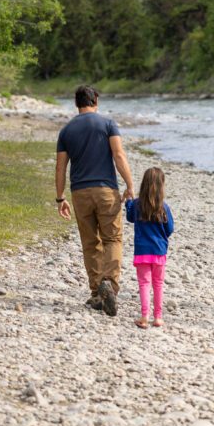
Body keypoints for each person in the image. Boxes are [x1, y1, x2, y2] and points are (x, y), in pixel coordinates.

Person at [55, 85, 135, 316]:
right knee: (112, 238)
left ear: (76, 103)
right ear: (95, 100)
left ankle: (96, 293)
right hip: (106, 190)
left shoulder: (66, 130)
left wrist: (60, 197)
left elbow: (61, 166)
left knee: (90, 243)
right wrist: (129, 185)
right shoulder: (108, 124)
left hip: (80, 193)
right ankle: (109, 283)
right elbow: (118, 155)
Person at [126, 167, 174, 329]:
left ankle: (145, 316)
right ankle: (158, 317)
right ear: (162, 186)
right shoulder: (164, 207)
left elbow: (130, 217)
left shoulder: (138, 205)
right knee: (158, 284)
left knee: (144, 283)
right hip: (159, 251)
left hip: (142, 251)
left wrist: (128, 201)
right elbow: (169, 229)